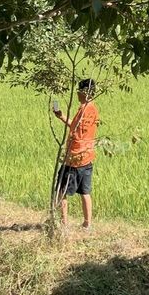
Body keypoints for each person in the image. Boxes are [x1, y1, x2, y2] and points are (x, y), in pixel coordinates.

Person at [53, 79, 99, 229]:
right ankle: (87, 224)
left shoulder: (86, 110)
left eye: (79, 91)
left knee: (61, 190)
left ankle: (64, 223)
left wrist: (69, 151)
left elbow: (77, 132)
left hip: (74, 158)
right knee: (85, 191)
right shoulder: (91, 108)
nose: (77, 93)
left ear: (85, 92)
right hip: (87, 156)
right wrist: (61, 116)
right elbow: (76, 125)